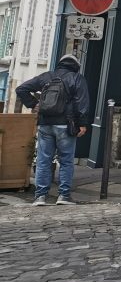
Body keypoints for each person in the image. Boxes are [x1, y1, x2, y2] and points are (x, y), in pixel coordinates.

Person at [16, 54, 91, 205]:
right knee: (66, 161)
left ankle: (40, 196)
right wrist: (82, 124)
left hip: (45, 123)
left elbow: (21, 89)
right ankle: (63, 196)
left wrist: (33, 104)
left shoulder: (46, 76)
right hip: (65, 124)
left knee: (44, 160)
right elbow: (82, 102)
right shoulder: (77, 78)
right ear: (76, 65)